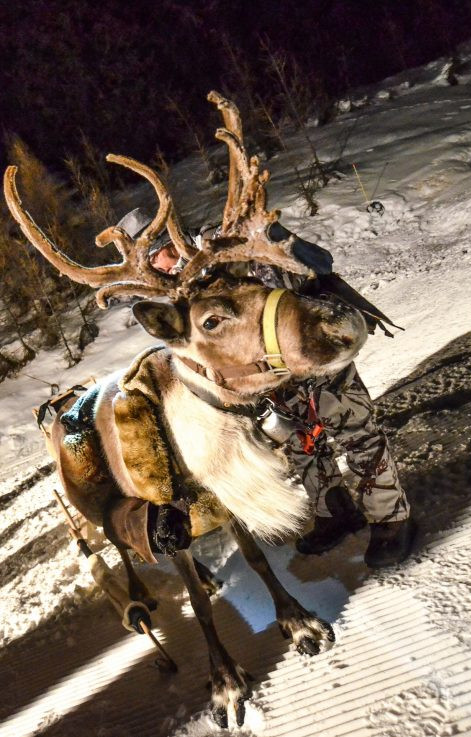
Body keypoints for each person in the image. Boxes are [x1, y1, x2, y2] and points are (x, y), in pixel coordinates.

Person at [120, 208, 415, 567]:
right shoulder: (184, 286)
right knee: (302, 444)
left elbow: (313, 264)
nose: (161, 267)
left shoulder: (227, 244)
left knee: (356, 433)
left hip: (312, 350)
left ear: (171, 240)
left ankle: (391, 521)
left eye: (158, 256)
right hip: (270, 375)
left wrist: (269, 249)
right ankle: (335, 512)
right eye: (151, 264)